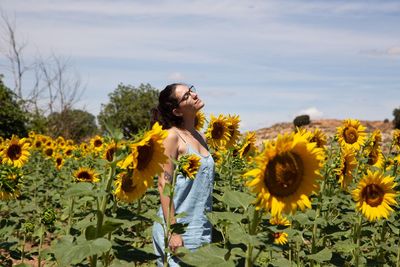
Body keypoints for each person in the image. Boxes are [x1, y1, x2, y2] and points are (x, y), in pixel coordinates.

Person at [151, 83, 215, 266]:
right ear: (177, 111)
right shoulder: (172, 137)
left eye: (191, 89)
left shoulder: (200, 137)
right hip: (178, 228)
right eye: (186, 96)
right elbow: (164, 184)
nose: (194, 95)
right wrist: (172, 231)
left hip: (200, 225)